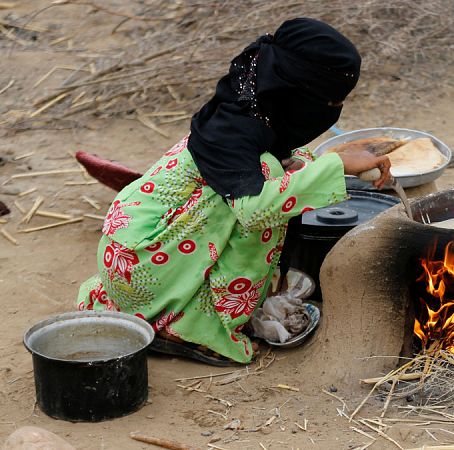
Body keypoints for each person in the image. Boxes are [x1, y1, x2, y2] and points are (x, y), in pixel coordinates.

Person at [76, 18, 391, 366]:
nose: (333, 111)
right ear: (298, 92)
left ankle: (181, 307)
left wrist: (318, 163)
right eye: (330, 102)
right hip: (142, 270)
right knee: (267, 193)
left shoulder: (246, 107)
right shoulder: (237, 134)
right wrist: (337, 165)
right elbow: (255, 211)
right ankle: (195, 329)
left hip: (127, 262)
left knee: (283, 171)